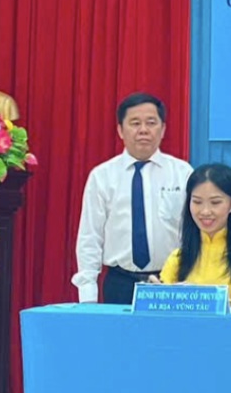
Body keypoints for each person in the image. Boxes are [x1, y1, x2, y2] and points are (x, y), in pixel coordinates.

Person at [73, 93, 193, 304]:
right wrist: (87, 296)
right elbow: (90, 238)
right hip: (120, 283)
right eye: (135, 123)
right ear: (120, 130)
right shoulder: (102, 176)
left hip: (170, 281)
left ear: (163, 129)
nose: (143, 130)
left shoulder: (183, 173)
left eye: (151, 123)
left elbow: (192, 232)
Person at [156, 164, 231, 307]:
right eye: (197, 202)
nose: (205, 211)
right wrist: (156, 293)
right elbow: (162, 306)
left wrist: (199, 302)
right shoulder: (178, 256)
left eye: (215, 202)